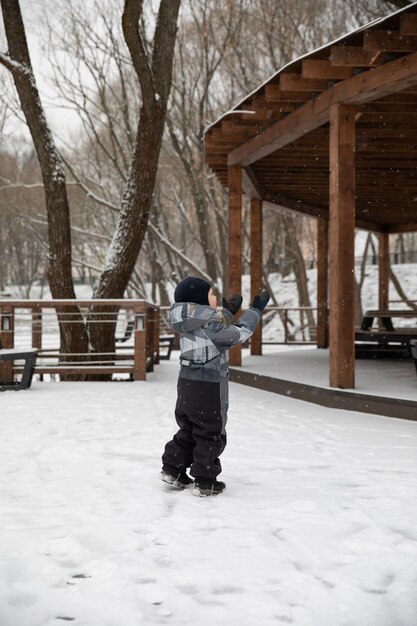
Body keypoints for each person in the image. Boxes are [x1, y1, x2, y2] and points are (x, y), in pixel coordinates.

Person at [161, 275, 270, 497]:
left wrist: (228, 312)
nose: (215, 298)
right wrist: (255, 311)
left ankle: (172, 469)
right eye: (211, 295)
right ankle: (205, 480)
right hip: (208, 388)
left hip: (186, 386)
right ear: (200, 301)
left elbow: (212, 326)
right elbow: (239, 333)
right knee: (210, 432)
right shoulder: (210, 327)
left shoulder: (186, 322)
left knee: (189, 428)